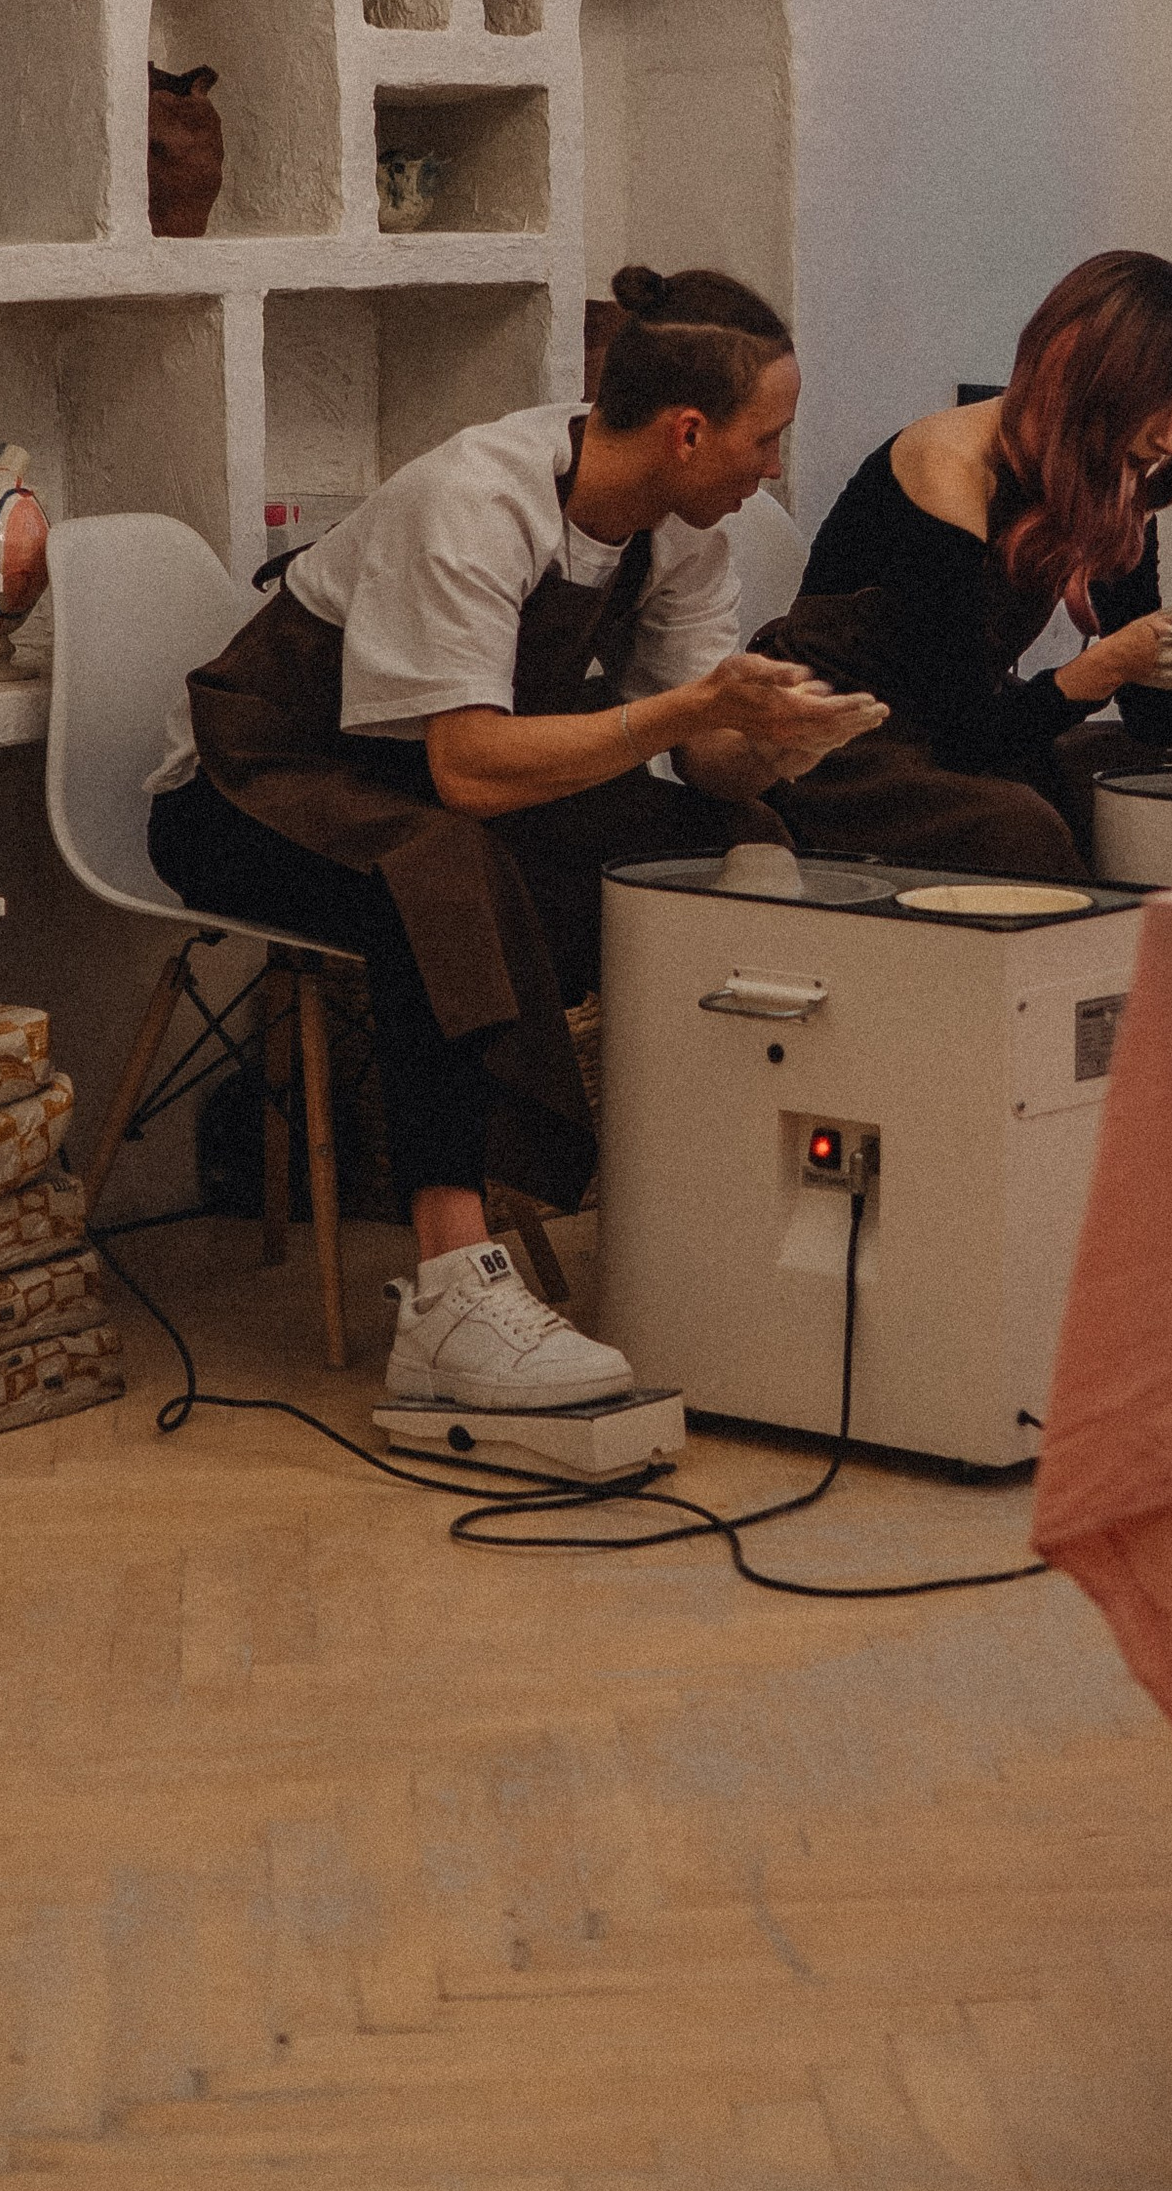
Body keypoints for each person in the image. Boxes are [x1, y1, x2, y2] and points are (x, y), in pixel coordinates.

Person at [146, 267, 883, 1407]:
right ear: (689, 432)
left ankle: (723, 1201)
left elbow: (703, 757)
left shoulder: (682, 532)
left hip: (422, 781)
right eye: (765, 439)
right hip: (249, 788)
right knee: (437, 873)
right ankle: (450, 1296)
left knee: (730, 834)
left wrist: (779, 744)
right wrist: (689, 709)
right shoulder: (476, 500)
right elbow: (470, 770)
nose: (774, 468)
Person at [753, 250, 1172, 878]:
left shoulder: (1109, 479)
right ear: (1093, 386)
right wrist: (1105, 665)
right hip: (838, 735)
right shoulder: (949, 468)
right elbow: (965, 736)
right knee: (1019, 827)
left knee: (1170, 769)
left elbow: (1151, 716)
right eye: (1160, 409)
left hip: (957, 724)